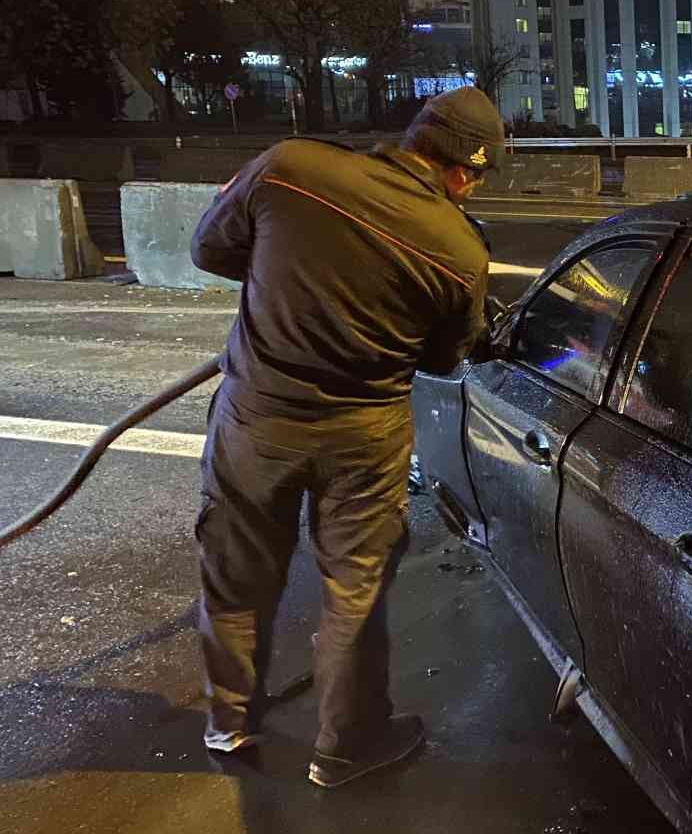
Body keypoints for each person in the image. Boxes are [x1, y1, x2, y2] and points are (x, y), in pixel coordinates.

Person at [189, 86, 500, 788]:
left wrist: (292, 277)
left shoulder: (292, 166)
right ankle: (344, 746)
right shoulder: (459, 250)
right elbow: (445, 360)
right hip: (363, 438)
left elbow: (209, 247)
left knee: (235, 575)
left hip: (255, 419)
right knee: (352, 590)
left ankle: (229, 724)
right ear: (462, 171)